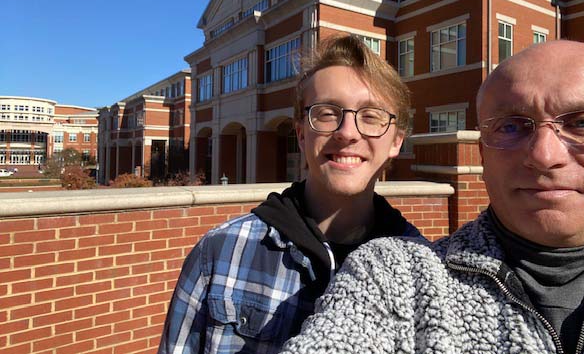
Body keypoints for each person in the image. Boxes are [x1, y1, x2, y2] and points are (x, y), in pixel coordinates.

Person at [280, 40, 584, 354]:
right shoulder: (398, 276)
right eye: (512, 126)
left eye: (583, 123)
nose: (544, 155)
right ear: (483, 155)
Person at [157, 35, 420, 354]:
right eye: (326, 113)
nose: (347, 132)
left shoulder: (421, 269)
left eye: (371, 115)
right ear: (301, 133)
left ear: (396, 141)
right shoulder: (221, 252)